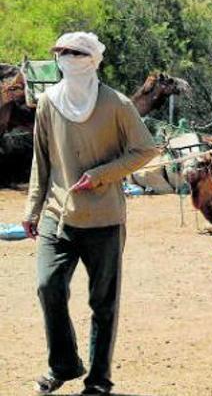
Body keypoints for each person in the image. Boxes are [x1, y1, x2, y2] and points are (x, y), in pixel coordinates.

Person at [22, 32, 159, 395]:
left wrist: (102, 175)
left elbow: (146, 149)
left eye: (75, 53)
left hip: (105, 219)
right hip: (58, 214)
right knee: (47, 286)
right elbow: (42, 159)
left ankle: (98, 380)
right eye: (61, 52)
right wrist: (32, 208)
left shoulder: (116, 104)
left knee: (103, 303)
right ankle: (63, 364)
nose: (66, 57)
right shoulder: (49, 102)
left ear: (92, 59)